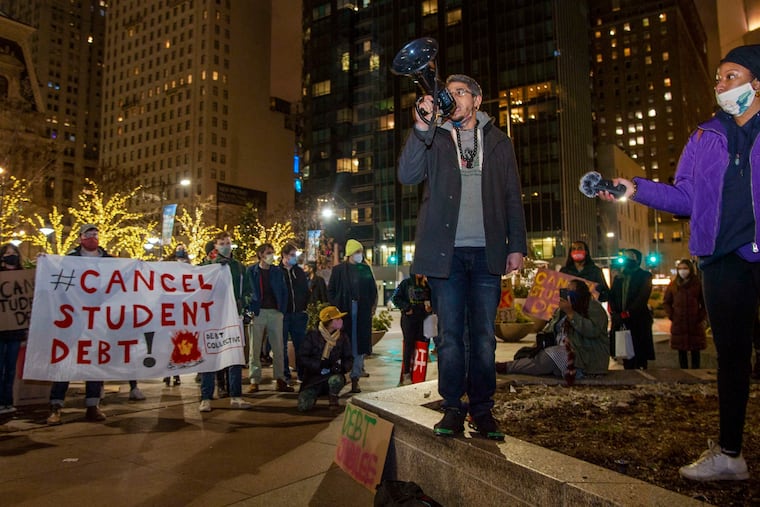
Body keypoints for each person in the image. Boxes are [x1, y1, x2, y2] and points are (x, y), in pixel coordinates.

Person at [596, 44, 760, 481]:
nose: (720, 84)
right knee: (732, 357)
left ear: (757, 83)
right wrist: (634, 188)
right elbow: (684, 198)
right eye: (719, 77)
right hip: (722, 261)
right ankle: (730, 454)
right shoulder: (703, 137)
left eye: (732, 76)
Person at [397, 74, 527, 440]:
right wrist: (422, 124)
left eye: (459, 92)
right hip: (445, 255)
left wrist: (516, 245)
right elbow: (406, 175)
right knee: (451, 336)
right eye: (448, 92)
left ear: (477, 100)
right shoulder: (435, 137)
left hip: (488, 254)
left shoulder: (499, 142)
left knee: (484, 337)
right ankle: (453, 407)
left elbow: (512, 196)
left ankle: (483, 410)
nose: (452, 97)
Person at [48, 225, 110, 424]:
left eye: (95, 234)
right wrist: (45, 262)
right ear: (81, 238)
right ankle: (56, 406)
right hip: (72, 318)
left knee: (93, 362)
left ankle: (93, 405)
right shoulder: (69, 260)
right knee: (65, 361)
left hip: (96, 320)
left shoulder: (109, 261)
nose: (93, 237)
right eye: (88, 235)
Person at [496, 280, 608, 379]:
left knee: (549, 357)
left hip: (584, 358)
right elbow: (551, 329)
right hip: (562, 350)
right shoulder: (562, 310)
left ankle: (506, 367)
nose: (568, 294)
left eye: (572, 291)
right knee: (528, 354)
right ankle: (510, 366)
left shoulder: (593, 308)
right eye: (567, 291)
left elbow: (592, 331)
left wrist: (571, 314)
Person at [198, 231, 252, 412]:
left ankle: (236, 396)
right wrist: (213, 265)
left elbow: (249, 292)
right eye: (222, 242)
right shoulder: (206, 266)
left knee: (235, 359)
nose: (226, 245)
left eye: (228, 242)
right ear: (215, 245)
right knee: (209, 357)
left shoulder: (239, 268)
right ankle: (206, 397)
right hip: (212, 318)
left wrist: (242, 304)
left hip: (233, 317)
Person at [328, 239, 377, 394]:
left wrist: (371, 306)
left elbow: (372, 290)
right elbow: (331, 290)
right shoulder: (339, 270)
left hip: (362, 312)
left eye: (361, 252)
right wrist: (336, 308)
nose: (360, 255)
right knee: (343, 344)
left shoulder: (365, 269)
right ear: (350, 253)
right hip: (345, 311)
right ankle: (339, 378)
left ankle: (355, 379)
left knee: (359, 345)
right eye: (357, 252)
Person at [247, 243, 293, 393]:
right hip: (258, 312)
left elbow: (284, 291)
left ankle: (280, 378)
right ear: (260, 254)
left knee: (278, 347)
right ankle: (254, 380)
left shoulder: (276, 271)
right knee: (255, 348)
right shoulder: (252, 271)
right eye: (268, 253)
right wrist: (249, 310)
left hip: (274, 312)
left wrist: (281, 310)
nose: (271, 256)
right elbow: (248, 292)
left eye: (272, 253)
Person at [297, 306, 353, 412]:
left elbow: (349, 358)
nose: (340, 321)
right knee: (303, 406)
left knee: (336, 380)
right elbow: (302, 357)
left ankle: (333, 397)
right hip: (313, 378)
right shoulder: (312, 335)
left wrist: (342, 368)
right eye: (337, 319)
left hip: (332, 375)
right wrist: (319, 364)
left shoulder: (342, 337)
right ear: (328, 322)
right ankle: (314, 393)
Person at [608, 248, 654, 370]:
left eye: (630, 257)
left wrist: (627, 313)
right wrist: (615, 313)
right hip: (622, 321)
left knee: (640, 353)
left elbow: (642, 298)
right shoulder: (619, 277)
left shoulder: (645, 276)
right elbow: (612, 296)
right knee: (626, 354)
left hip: (638, 320)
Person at [663, 259, 707, 369]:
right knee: (681, 351)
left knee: (695, 351)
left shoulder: (697, 284)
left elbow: (705, 302)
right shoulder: (673, 285)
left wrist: (700, 317)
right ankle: (683, 373)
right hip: (679, 322)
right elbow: (667, 302)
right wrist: (672, 315)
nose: (683, 271)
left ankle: (696, 373)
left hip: (694, 323)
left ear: (690, 269)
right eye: (680, 269)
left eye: (685, 268)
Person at [391, 273, 432, 384]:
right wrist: (406, 307)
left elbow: (433, 299)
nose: (420, 273)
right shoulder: (406, 283)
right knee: (409, 345)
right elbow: (395, 297)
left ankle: (419, 373)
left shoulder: (427, 284)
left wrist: (430, 308)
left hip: (424, 320)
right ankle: (406, 374)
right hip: (409, 319)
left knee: (422, 345)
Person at [0, 244, 25, 415]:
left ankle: (7, 402)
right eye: (8, 254)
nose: (11, 256)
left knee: (10, 369)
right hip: (1, 332)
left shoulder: (24, 278)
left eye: (14, 253)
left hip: (15, 333)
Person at [280, 243, 309, 384]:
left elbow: (305, 290)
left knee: (301, 345)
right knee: (282, 345)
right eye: (292, 255)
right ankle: (285, 375)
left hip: (298, 313)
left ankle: (302, 374)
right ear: (284, 255)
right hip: (284, 314)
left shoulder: (299, 272)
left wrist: (304, 306)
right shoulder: (278, 271)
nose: (294, 258)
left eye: (295, 255)